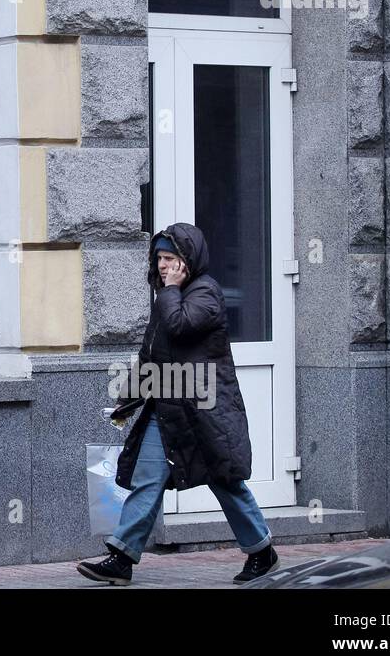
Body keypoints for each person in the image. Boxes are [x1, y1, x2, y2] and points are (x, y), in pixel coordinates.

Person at [76, 222, 279, 586]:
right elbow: (152, 352)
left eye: (170, 258)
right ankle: (122, 556)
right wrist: (128, 398)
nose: (163, 266)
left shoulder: (206, 293)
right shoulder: (167, 295)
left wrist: (169, 291)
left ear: (187, 260)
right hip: (167, 409)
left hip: (204, 410)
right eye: (159, 259)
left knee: (224, 480)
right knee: (147, 478)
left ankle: (261, 551)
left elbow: (179, 326)